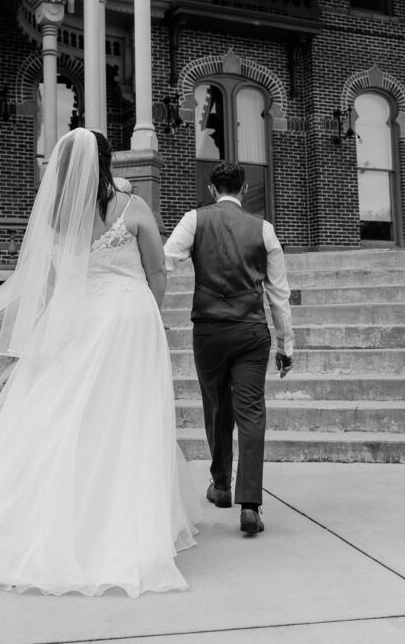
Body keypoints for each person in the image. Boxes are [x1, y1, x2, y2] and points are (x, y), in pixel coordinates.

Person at [0, 127, 201, 595]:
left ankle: (28, 525)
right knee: (126, 419)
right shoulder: (132, 207)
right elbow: (157, 270)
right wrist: (151, 316)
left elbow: (47, 283)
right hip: (128, 321)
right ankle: (119, 524)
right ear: (107, 163)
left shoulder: (56, 217)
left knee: (61, 417)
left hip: (77, 321)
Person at [164, 161, 294, 536]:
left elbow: (165, 260)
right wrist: (287, 345)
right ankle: (250, 504)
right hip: (251, 331)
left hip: (208, 331)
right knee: (251, 413)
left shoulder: (194, 219)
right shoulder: (264, 229)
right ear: (246, 190)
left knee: (217, 406)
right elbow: (279, 295)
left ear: (211, 189)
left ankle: (221, 486)